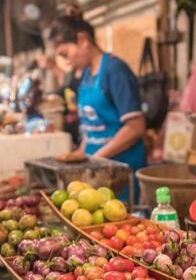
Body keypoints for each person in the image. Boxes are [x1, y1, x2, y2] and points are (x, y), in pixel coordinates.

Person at [47, 11, 147, 203]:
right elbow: (92, 124)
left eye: (65, 54)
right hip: (97, 173)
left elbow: (136, 127)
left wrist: (97, 158)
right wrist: (80, 154)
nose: (66, 61)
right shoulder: (85, 75)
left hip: (120, 173)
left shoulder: (115, 70)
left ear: (83, 40)